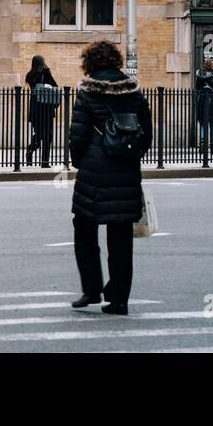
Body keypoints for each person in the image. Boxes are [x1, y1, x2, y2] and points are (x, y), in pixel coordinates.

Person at [68, 40, 152, 316]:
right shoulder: (132, 89)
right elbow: (146, 131)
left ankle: (91, 289)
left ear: (90, 61)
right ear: (115, 60)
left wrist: (79, 161)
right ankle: (119, 298)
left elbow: (78, 134)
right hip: (125, 168)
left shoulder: (88, 90)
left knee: (84, 228)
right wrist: (133, 154)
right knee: (121, 238)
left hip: (94, 168)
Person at [25, 55, 60, 167]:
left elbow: (33, 89)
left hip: (36, 108)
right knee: (48, 136)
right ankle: (45, 162)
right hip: (47, 109)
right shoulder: (46, 72)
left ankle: (30, 150)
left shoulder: (30, 75)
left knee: (39, 134)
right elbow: (55, 86)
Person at [194, 57, 213, 157]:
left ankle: (202, 142)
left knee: (202, 123)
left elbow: (197, 89)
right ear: (211, 65)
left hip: (202, 101)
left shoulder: (199, 74)